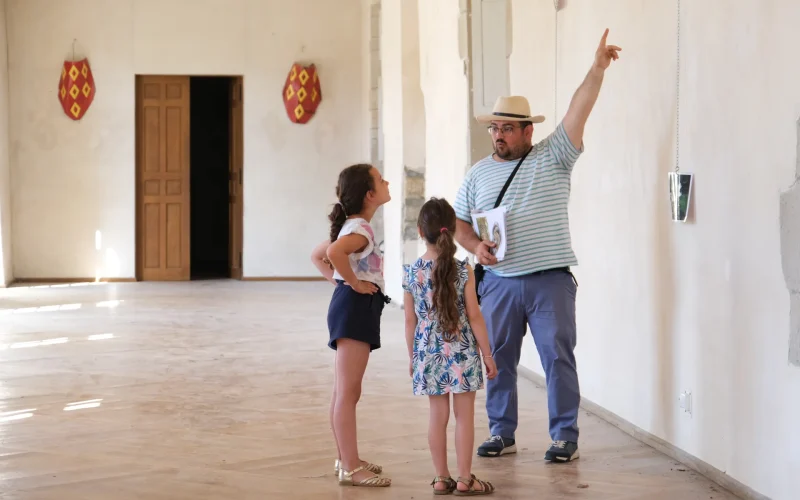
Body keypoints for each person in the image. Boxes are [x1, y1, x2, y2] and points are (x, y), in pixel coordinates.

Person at [453, 29, 621, 462]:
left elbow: (577, 110)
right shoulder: (476, 175)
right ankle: (501, 431)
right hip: (499, 284)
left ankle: (565, 436)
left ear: (528, 131)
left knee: (557, 360)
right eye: (494, 128)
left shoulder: (554, 156)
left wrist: (597, 67)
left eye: (507, 128)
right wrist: (476, 247)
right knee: (499, 361)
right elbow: (458, 222)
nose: (498, 136)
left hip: (550, 281)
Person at [402, 197, 499, 496]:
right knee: (464, 417)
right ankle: (465, 478)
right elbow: (475, 315)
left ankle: (441, 478)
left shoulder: (411, 273)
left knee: (437, 416)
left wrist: (413, 357)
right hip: (462, 351)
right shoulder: (463, 270)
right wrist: (487, 354)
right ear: (454, 229)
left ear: (420, 231)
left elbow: (410, 321)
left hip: (428, 352)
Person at [310, 163, 393, 487]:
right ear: (370, 194)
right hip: (356, 308)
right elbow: (331, 252)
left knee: (346, 390)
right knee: (347, 392)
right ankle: (349, 468)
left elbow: (318, 256)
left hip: (353, 306)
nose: (387, 182)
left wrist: (343, 282)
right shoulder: (361, 230)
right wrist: (353, 284)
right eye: (381, 179)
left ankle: (348, 459)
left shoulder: (352, 225)